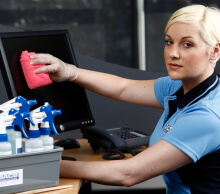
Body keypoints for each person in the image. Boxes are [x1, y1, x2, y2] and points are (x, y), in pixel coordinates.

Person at [30, 4, 220, 194]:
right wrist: (69, 72)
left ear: (215, 51)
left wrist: (41, 166)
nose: (173, 53)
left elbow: (127, 174)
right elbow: (123, 88)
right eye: (169, 42)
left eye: (187, 44)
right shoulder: (178, 87)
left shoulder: (207, 116)